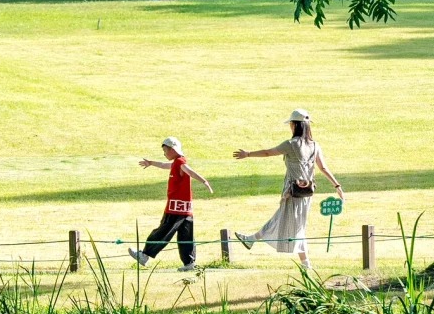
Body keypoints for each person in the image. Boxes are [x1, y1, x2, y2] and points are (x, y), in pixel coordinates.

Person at [232, 109, 343, 270]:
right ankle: (253, 240)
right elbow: (323, 167)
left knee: (294, 225)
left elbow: (268, 152)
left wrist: (248, 154)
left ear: (295, 125)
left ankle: (304, 263)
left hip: (292, 191)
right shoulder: (314, 145)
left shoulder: (291, 144)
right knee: (293, 222)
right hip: (307, 193)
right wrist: (337, 185)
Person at [130, 137, 212, 271]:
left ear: (173, 150)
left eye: (165, 151)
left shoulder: (180, 162)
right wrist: (151, 163)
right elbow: (163, 165)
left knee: (162, 231)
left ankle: (145, 255)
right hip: (185, 209)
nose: (164, 154)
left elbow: (190, 171)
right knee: (186, 235)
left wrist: (204, 181)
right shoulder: (176, 163)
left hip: (175, 208)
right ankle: (189, 263)